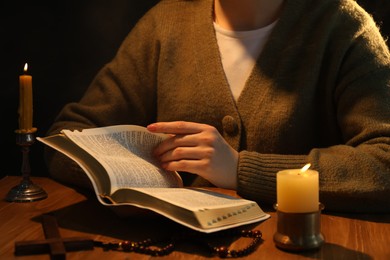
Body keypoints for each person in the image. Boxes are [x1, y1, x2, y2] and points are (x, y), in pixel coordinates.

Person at [44, 0, 390, 213]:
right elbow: (65, 138)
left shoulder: (343, 27)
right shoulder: (165, 23)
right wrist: (133, 177)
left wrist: (241, 169)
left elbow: (383, 163)